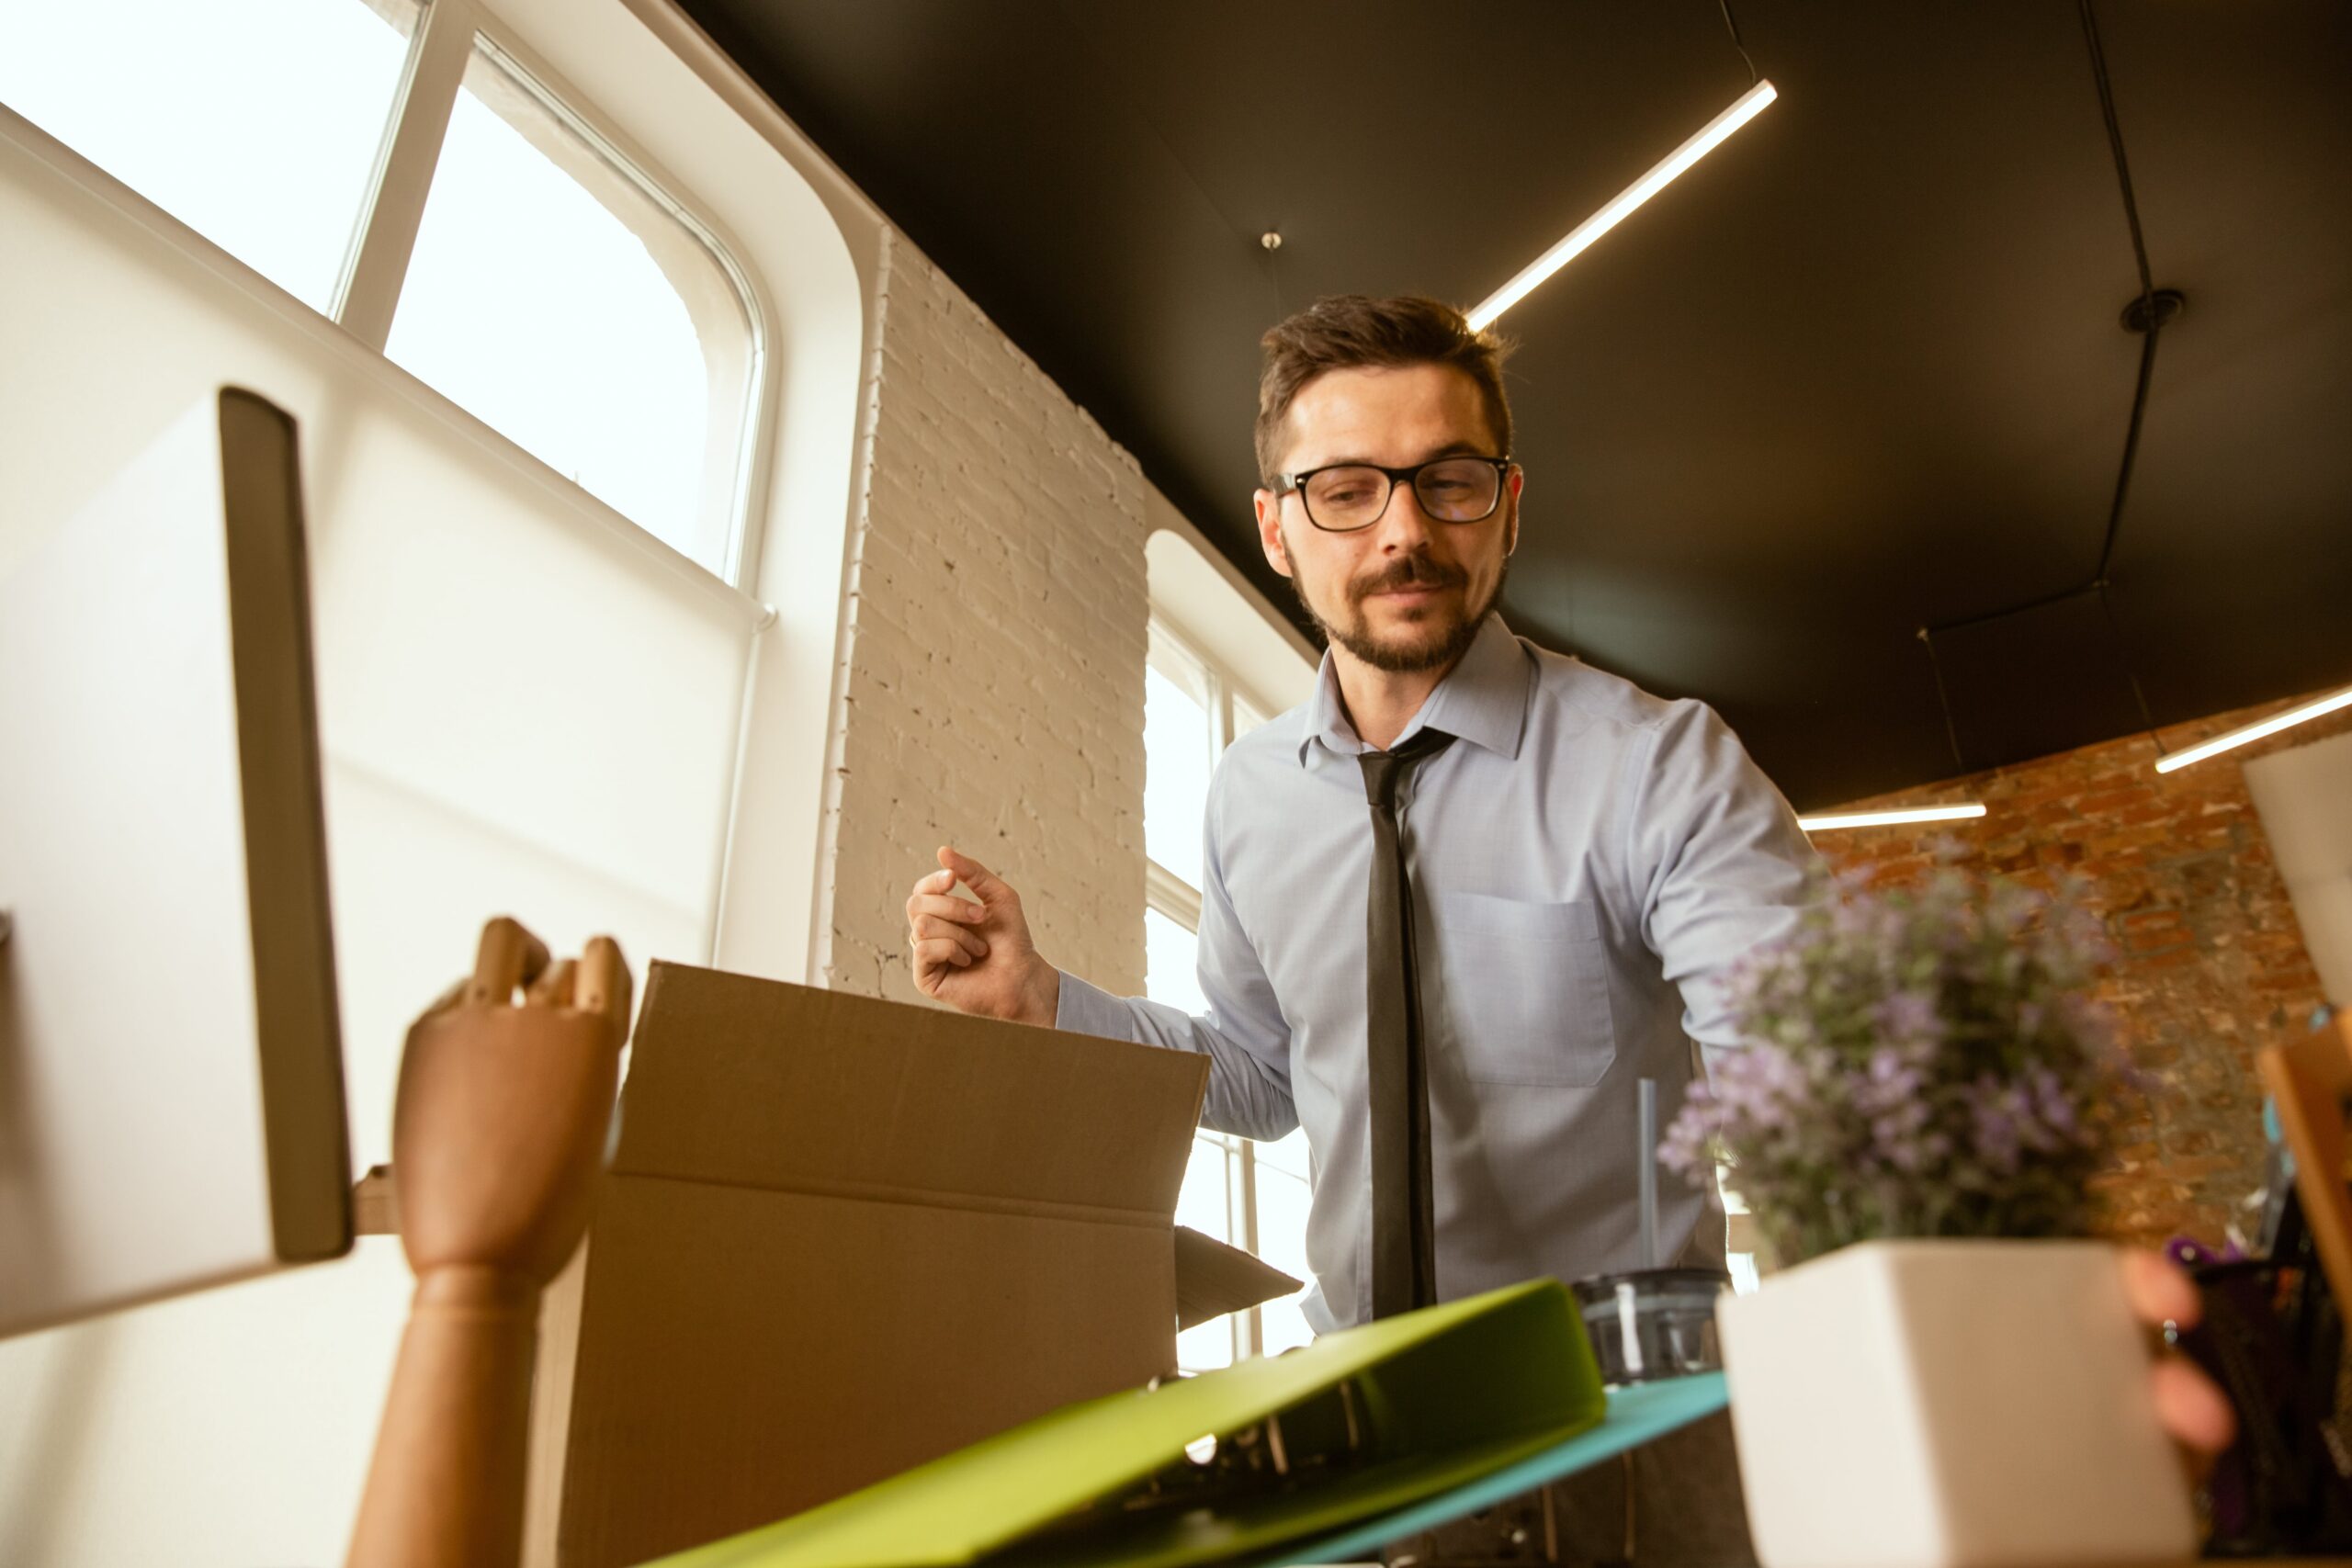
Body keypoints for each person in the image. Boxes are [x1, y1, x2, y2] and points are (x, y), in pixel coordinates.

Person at [905, 293, 2233, 1458]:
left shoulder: (1660, 765)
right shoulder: (1248, 800)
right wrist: (1045, 1005)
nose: (1403, 533)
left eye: (1450, 480)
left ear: (1510, 507)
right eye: (1347, 489)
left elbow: (1801, 1065)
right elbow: (1262, 1079)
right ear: (1277, 529)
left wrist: (1980, 1301)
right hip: (1357, 1410)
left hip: (1626, 1412)